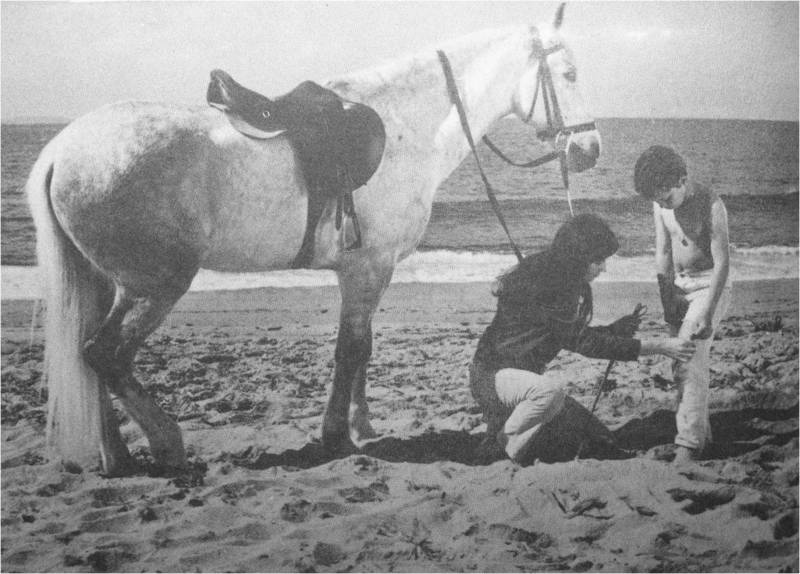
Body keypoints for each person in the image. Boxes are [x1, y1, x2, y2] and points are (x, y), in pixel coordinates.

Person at [469, 213, 696, 464]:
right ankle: (500, 449)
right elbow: (583, 342)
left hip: (518, 382)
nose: (603, 268)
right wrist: (661, 346)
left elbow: (572, 335)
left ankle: (506, 429)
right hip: (493, 379)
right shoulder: (553, 287)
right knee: (550, 394)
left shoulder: (555, 278)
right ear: (577, 259)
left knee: (599, 437)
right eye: (598, 261)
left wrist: (614, 329)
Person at [633, 145, 732, 464]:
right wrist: (667, 300)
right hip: (679, 286)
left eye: (666, 198)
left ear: (682, 180)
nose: (662, 204)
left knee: (689, 356)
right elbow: (663, 253)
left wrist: (708, 311)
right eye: (657, 200)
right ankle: (701, 434)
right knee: (680, 363)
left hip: (709, 286)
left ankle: (689, 444)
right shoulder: (660, 205)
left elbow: (722, 262)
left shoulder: (711, 204)